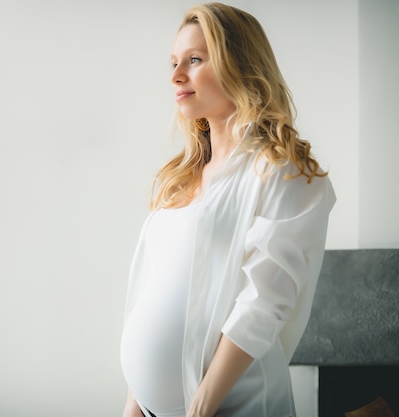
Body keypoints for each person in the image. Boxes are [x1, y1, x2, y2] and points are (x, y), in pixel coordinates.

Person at [119, 3, 336, 417]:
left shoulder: (280, 169)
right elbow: (151, 289)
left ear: (239, 64)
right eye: (173, 62)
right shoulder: (182, 176)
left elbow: (265, 301)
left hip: (233, 406)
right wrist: (135, 402)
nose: (176, 75)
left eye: (195, 60)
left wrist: (200, 406)